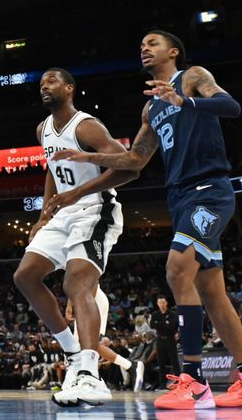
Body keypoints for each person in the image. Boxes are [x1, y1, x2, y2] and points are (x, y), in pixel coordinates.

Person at [51, 30, 242, 410]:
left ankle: (194, 381)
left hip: (210, 190)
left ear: (173, 51)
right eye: (141, 44)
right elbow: (136, 161)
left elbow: (231, 106)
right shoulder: (151, 107)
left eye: (152, 43)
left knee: (176, 270)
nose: (144, 48)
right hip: (180, 196)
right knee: (212, 292)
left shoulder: (192, 77)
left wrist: (185, 100)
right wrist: (87, 158)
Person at [13, 68, 137, 407]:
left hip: (96, 209)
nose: (45, 86)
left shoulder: (86, 126)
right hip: (65, 212)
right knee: (25, 276)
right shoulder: (43, 129)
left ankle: (90, 375)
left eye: (52, 81)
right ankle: (73, 354)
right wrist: (43, 215)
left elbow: (129, 167)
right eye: (41, 83)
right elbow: (52, 170)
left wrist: (78, 192)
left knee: (76, 284)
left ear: (70, 88)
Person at [64, 286, 134, 387]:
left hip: (93, 298)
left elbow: (92, 280)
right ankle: (129, 366)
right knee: (81, 345)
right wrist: (70, 305)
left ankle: (87, 380)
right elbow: (72, 283)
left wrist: (85, 305)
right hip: (83, 299)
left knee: (88, 344)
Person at [149, 295, 180, 388]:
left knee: (174, 362)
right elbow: (152, 325)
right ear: (157, 304)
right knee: (160, 362)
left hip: (170, 339)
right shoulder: (155, 314)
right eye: (160, 302)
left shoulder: (172, 314)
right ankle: (162, 383)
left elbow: (171, 326)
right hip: (160, 339)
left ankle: (179, 382)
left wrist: (159, 324)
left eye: (163, 302)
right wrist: (164, 323)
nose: (161, 304)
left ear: (166, 303)